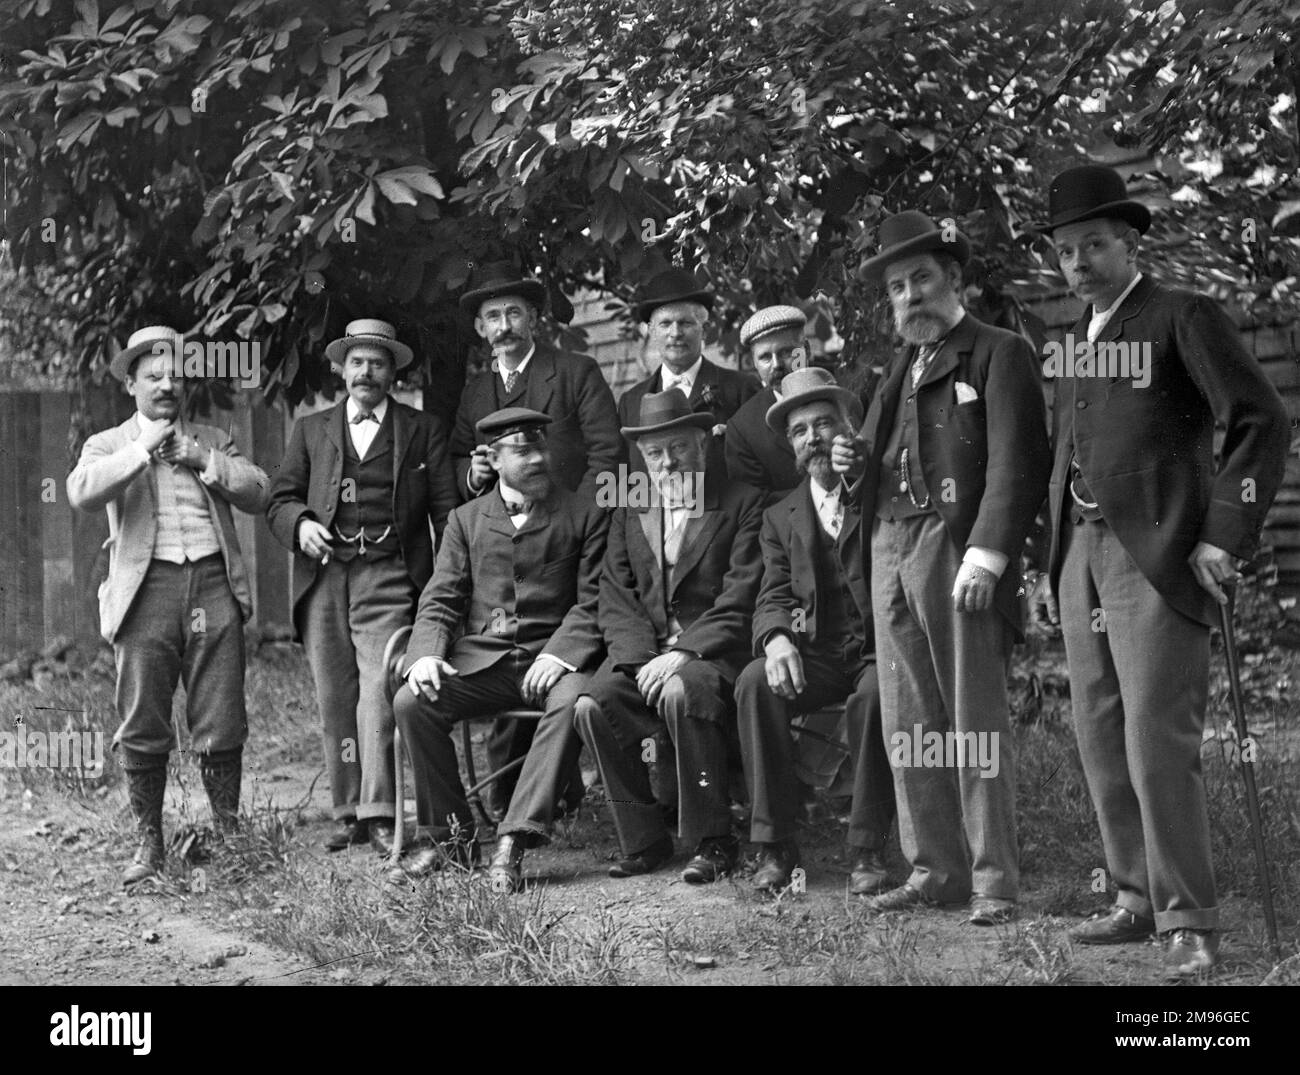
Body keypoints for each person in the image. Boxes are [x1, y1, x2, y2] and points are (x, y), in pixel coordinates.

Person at [1027, 165, 1290, 976]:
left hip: (1158, 553)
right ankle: (1134, 896)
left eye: (1094, 245)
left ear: (1129, 242)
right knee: (1100, 733)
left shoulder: (1182, 316)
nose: (1078, 263)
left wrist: (1223, 534)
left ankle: (1191, 919)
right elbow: (1069, 452)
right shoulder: (1076, 337)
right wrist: (1050, 562)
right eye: (1066, 251)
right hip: (1081, 553)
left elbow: (1260, 420)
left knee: (1153, 739)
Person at [833, 210, 1050, 925]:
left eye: (921, 278)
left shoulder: (998, 352)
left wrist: (989, 552)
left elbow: (1019, 463)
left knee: (972, 717)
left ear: (953, 278)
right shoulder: (899, 366)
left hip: (954, 547)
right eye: (897, 286)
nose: (909, 296)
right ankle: (935, 868)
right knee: (909, 719)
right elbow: (878, 457)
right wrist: (849, 464)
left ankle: (993, 881)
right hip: (888, 546)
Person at [67, 325, 269, 885]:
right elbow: (81, 491)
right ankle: (148, 845)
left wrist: (201, 457)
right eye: (154, 375)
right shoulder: (107, 444)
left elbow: (259, 492)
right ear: (131, 383)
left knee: (222, 713)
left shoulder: (210, 436)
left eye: (177, 374)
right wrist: (142, 450)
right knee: (142, 717)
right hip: (145, 592)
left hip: (212, 583)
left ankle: (230, 838)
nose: (167, 384)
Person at [390, 409, 608, 891]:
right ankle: (452, 841)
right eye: (522, 451)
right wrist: (425, 653)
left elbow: (593, 599)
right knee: (412, 701)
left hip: (554, 662)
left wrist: (559, 654)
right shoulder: (465, 520)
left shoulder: (583, 512)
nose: (536, 460)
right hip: (485, 663)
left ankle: (514, 837)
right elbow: (442, 596)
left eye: (540, 448)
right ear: (491, 457)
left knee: (573, 701)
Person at [267, 319, 457, 856]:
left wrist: (446, 585)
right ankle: (348, 809)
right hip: (325, 574)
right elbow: (279, 499)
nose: (366, 372)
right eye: (357, 362)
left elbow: (446, 516)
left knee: (378, 690)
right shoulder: (311, 429)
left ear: (393, 371)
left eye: (377, 363)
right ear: (340, 369)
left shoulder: (422, 430)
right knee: (336, 695)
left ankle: (380, 812)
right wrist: (302, 524)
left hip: (390, 571)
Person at [450, 262, 623, 814]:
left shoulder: (574, 371)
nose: (504, 325)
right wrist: (473, 476)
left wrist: (579, 519)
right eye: (493, 316)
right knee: (508, 638)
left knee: (561, 647)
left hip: (575, 537)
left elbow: (606, 457)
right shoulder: (476, 391)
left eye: (514, 313)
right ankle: (521, 798)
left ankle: (542, 795)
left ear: (533, 319)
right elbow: (459, 463)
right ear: (481, 329)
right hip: (508, 540)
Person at [574, 390, 764, 882]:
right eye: (654, 453)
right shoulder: (629, 508)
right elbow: (614, 596)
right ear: (642, 458)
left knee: (683, 690)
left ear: (702, 443)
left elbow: (742, 596)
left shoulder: (741, 501)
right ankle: (644, 838)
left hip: (714, 652)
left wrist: (682, 651)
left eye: (677, 447)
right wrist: (641, 661)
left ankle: (713, 839)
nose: (667, 462)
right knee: (592, 705)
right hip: (646, 655)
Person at [734, 368, 895, 895]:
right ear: (791, 446)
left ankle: (866, 847)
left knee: (876, 694)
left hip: (880, 647)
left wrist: (860, 482)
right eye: (801, 431)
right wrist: (777, 637)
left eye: (825, 424)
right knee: (756, 681)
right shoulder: (781, 515)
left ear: (848, 429)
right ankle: (775, 844)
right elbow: (773, 592)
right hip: (818, 654)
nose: (814, 438)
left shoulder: (879, 490)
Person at [618, 268, 758, 479]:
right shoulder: (631, 402)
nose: (675, 333)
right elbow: (628, 476)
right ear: (652, 331)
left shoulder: (742, 389)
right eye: (665, 324)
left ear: (706, 329)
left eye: (685, 322)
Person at [725, 305, 809, 502]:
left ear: (806, 350)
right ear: (754, 363)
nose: (777, 365)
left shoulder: (846, 392)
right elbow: (754, 503)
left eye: (787, 352)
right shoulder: (743, 429)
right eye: (765, 357)